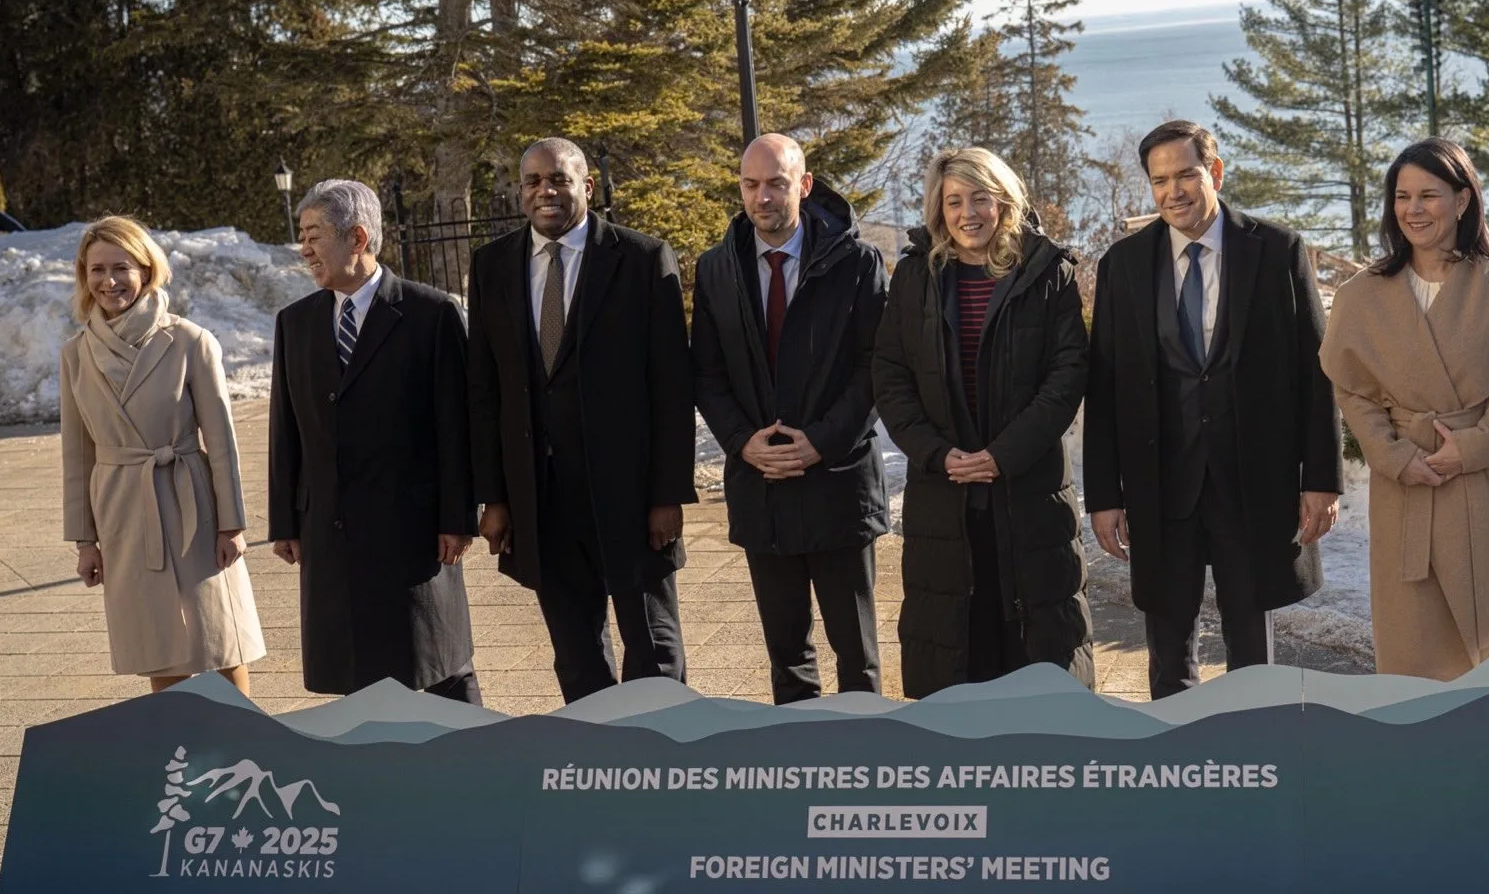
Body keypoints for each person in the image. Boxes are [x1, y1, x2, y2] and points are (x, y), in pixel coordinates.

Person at [1084, 120, 1342, 699]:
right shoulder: (1122, 266)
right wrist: (1104, 495)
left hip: (1253, 482)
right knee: (1168, 651)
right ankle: (1179, 765)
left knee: (1253, 650)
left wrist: (1322, 479)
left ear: (1215, 173)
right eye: (1159, 181)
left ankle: (1258, 755)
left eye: (1185, 175)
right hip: (1160, 485)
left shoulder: (1277, 251)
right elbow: (1103, 390)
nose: (1172, 191)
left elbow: (1316, 372)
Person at [469, 137, 696, 702]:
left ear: (586, 188)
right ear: (521, 192)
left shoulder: (641, 259)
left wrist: (667, 494)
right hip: (541, 498)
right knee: (576, 653)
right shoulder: (492, 266)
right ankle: (597, 762)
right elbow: (484, 390)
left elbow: (671, 386)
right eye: (533, 181)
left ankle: (664, 766)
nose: (546, 191)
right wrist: (494, 496)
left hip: (629, 494)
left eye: (560, 179)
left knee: (653, 650)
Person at [871, 147, 1094, 697]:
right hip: (943, 497)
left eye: (979, 198)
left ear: (1004, 202)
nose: (967, 212)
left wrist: (1003, 455)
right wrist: (938, 453)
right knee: (953, 655)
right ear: (938, 208)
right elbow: (891, 377)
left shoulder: (1048, 274)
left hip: (1029, 494)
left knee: (1038, 658)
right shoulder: (915, 277)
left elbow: (1066, 377)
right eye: (953, 200)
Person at [1319, 140, 1489, 680]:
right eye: (1402, 197)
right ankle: (1419, 751)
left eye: (1429, 195)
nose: (1413, 209)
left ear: (1463, 200)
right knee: (1412, 641)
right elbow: (1353, 391)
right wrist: (1393, 455)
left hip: (1478, 484)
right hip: (1404, 488)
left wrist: (1473, 445)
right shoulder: (1362, 294)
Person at [692, 134, 890, 704]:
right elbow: (705, 372)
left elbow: (876, 366)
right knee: (788, 661)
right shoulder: (715, 270)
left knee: (857, 658)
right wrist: (741, 442)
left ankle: (863, 776)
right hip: (762, 489)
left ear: (803, 186)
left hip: (839, 484)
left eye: (777, 183)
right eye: (751, 185)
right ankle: (798, 773)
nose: (763, 197)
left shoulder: (857, 262)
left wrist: (820, 443)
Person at [268, 179, 481, 703]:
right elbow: (285, 430)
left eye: (314, 234)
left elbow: (457, 427)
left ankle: (476, 769)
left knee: (437, 669)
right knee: (354, 679)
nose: (305, 249)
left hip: (410, 532)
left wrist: (458, 516)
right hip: (330, 534)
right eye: (302, 235)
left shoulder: (430, 314)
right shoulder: (295, 324)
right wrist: (285, 522)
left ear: (358, 238)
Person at [59, 216, 265, 694]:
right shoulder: (75, 355)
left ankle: (244, 742)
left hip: (191, 498)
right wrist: (85, 541)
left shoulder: (190, 340)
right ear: (84, 277)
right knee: (158, 639)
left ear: (147, 270)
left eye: (121, 267)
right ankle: (180, 752)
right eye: (96, 270)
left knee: (218, 635)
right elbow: (77, 456)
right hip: (124, 507)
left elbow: (222, 442)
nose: (108, 281)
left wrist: (232, 524)